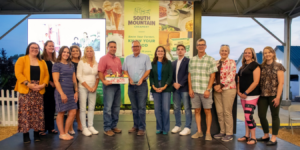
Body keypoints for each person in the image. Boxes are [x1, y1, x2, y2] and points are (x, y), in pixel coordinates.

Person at [14, 42, 49, 143]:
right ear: (28, 49)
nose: (35, 49)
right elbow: (18, 73)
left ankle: (37, 134)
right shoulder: (22, 59)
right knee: (26, 113)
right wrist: (28, 84)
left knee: (38, 113)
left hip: (38, 89)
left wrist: (43, 85)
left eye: (37, 48)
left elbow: (46, 75)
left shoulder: (42, 62)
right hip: (26, 89)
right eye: (32, 48)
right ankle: (26, 135)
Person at [188, 38, 217, 140]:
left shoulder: (211, 59)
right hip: (195, 90)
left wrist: (208, 89)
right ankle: (199, 131)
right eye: (199, 44)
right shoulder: (192, 60)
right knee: (197, 111)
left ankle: (208, 133)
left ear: (205, 46)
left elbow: (212, 76)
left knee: (207, 111)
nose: (201, 46)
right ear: (196, 47)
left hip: (205, 91)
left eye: (202, 44)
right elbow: (189, 75)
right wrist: (190, 89)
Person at [122, 40, 152, 136]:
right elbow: (124, 70)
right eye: (133, 46)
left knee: (141, 107)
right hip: (131, 85)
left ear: (140, 47)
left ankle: (142, 128)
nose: (135, 48)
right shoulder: (127, 58)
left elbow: (148, 70)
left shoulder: (145, 57)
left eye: (137, 46)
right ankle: (135, 126)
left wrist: (142, 78)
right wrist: (129, 79)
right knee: (134, 107)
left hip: (142, 85)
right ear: (131, 48)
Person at [257, 46, 285, 146]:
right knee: (261, 115)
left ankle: (274, 137)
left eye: (269, 52)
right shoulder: (261, 66)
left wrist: (278, 97)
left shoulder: (279, 66)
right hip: (263, 95)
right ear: (263, 55)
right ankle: (266, 135)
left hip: (274, 95)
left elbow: (281, 83)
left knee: (275, 116)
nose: (267, 54)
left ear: (273, 53)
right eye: (265, 53)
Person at [52, 46, 78, 140]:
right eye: (64, 52)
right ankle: (61, 134)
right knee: (61, 112)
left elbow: (74, 79)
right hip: (61, 92)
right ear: (61, 53)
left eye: (67, 52)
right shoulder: (57, 65)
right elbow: (56, 81)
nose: (66, 54)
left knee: (73, 111)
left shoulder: (71, 64)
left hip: (70, 92)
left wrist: (76, 92)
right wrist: (62, 94)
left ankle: (66, 132)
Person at [237, 47, 261, 145]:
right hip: (243, 95)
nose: (247, 54)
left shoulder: (255, 65)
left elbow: (256, 82)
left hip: (252, 95)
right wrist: (238, 92)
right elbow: (238, 80)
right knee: (246, 116)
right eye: (245, 53)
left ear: (253, 55)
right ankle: (247, 135)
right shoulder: (242, 67)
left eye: (249, 53)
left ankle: (254, 137)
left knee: (248, 115)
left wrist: (246, 93)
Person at [213, 45, 237, 142]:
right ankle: (222, 131)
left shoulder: (232, 62)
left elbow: (231, 76)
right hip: (217, 90)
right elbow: (212, 75)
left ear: (228, 52)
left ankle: (229, 133)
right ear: (219, 52)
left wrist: (221, 85)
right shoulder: (216, 63)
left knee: (227, 112)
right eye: (222, 50)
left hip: (228, 89)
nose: (224, 52)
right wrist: (215, 85)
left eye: (226, 51)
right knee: (219, 112)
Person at [98, 41, 122, 136]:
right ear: (107, 47)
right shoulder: (103, 59)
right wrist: (103, 81)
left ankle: (114, 126)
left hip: (117, 86)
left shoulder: (118, 59)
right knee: (108, 108)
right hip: (108, 86)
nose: (113, 48)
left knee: (116, 107)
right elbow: (100, 71)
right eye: (111, 47)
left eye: (114, 47)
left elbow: (119, 73)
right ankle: (107, 128)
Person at [150, 46, 173, 135]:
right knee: (157, 109)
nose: (160, 52)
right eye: (158, 51)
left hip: (166, 87)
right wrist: (153, 86)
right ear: (156, 53)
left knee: (165, 109)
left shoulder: (169, 63)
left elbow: (170, 76)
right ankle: (159, 127)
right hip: (155, 87)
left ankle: (165, 128)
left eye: (162, 51)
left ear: (164, 53)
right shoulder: (152, 63)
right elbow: (151, 76)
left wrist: (164, 86)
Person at [77, 46, 100, 136]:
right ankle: (84, 128)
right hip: (83, 87)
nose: (90, 52)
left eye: (91, 51)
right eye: (88, 51)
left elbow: (97, 77)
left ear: (93, 52)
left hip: (93, 87)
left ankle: (90, 126)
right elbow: (79, 76)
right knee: (83, 108)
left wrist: (94, 87)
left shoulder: (95, 63)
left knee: (91, 107)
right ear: (85, 53)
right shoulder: (81, 62)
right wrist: (88, 87)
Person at [171, 44, 192, 135]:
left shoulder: (188, 61)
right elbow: (170, 75)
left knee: (187, 108)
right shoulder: (173, 63)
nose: (180, 51)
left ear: (185, 51)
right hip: (175, 89)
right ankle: (178, 125)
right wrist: (173, 83)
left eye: (182, 49)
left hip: (184, 88)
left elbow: (188, 74)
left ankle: (188, 127)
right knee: (176, 108)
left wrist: (180, 84)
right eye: (178, 49)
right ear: (176, 51)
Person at [40, 40, 58, 135]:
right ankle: (42, 129)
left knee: (52, 107)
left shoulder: (55, 59)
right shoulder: (42, 58)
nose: (51, 47)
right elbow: (42, 73)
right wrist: (50, 81)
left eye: (53, 46)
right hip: (46, 86)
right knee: (44, 107)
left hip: (55, 87)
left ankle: (51, 128)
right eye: (49, 46)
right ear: (45, 46)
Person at [68, 45, 83, 134]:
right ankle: (70, 127)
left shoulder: (82, 62)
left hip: (81, 86)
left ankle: (79, 125)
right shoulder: (69, 63)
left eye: (77, 50)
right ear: (70, 53)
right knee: (72, 108)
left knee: (79, 107)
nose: (75, 52)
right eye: (73, 51)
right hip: (71, 87)